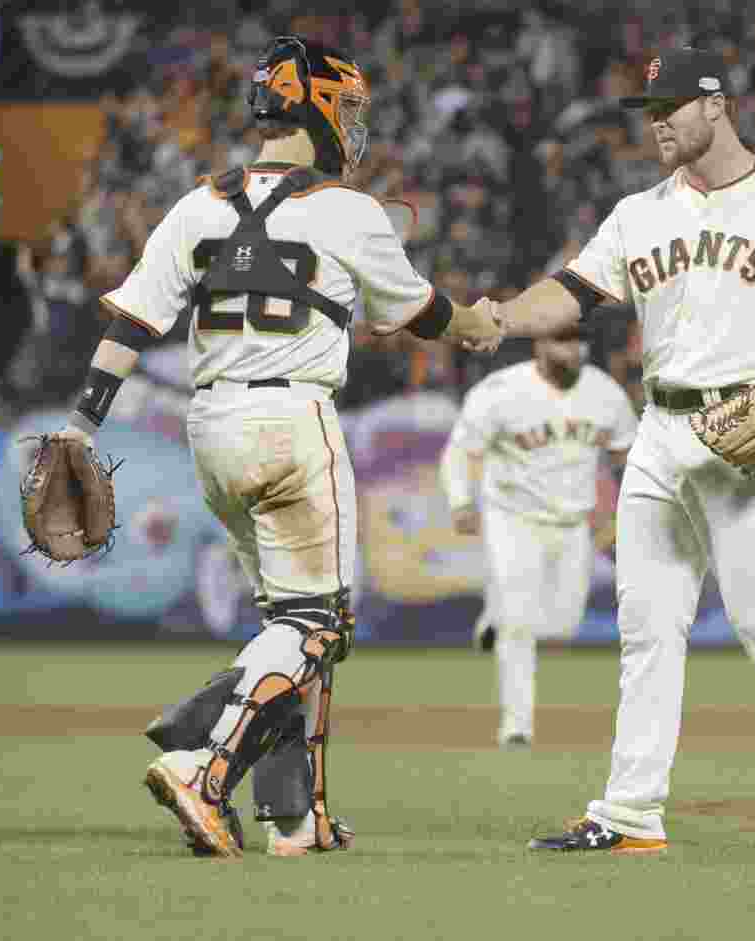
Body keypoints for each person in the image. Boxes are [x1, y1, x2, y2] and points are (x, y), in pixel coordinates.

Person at [52, 35, 501, 858]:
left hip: (211, 429)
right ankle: (202, 756)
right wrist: (477, 322)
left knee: (289, 624)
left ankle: (296, 819)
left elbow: (130, 324)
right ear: (318, 105)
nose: (353, 123)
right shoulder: (347, 210)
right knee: (318, 626)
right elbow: (422, 312)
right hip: (294, 419)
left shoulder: (197, 203)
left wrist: (82, 423)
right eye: (348, 106)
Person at [494, 47, 755, 855]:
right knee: (647, 626)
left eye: (670, 106)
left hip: (747, 428)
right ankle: (632, 810)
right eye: (649, 110)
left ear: (717, 105)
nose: (657, 121)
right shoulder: (639, 213)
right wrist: (497, 317)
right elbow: (572, 293)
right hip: (659, 431)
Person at [438, 326, 637, 748]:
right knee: (519, 623)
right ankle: (517, 726)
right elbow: (461, 450)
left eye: (579, 339)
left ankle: (494, 617)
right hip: (512, 517)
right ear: (540, 344)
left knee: (562, 625)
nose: (574, 348)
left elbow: (627, 456)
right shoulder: (502, 390)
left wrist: (633, 511)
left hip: (573, 523)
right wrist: (460, 501)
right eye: (562, 339)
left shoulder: (605, 393)